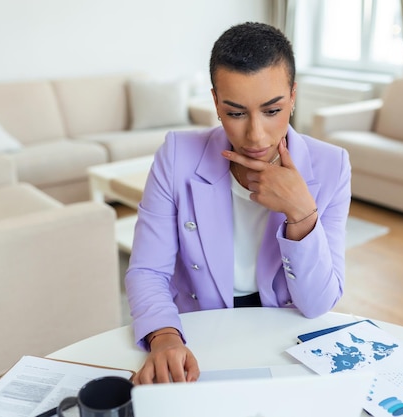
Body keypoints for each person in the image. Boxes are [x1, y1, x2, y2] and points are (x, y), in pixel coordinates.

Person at [125, 22, 351, 384]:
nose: (256, 135)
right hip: (198, 328)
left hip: (282, 333)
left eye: (272, 110)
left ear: (293, 96)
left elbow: (317, 303)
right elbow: (148, 270)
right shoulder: (176, 155)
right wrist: (165, 337)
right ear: (215, 102)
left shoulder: (332, 165)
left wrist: (300, 212)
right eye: (235, 113)